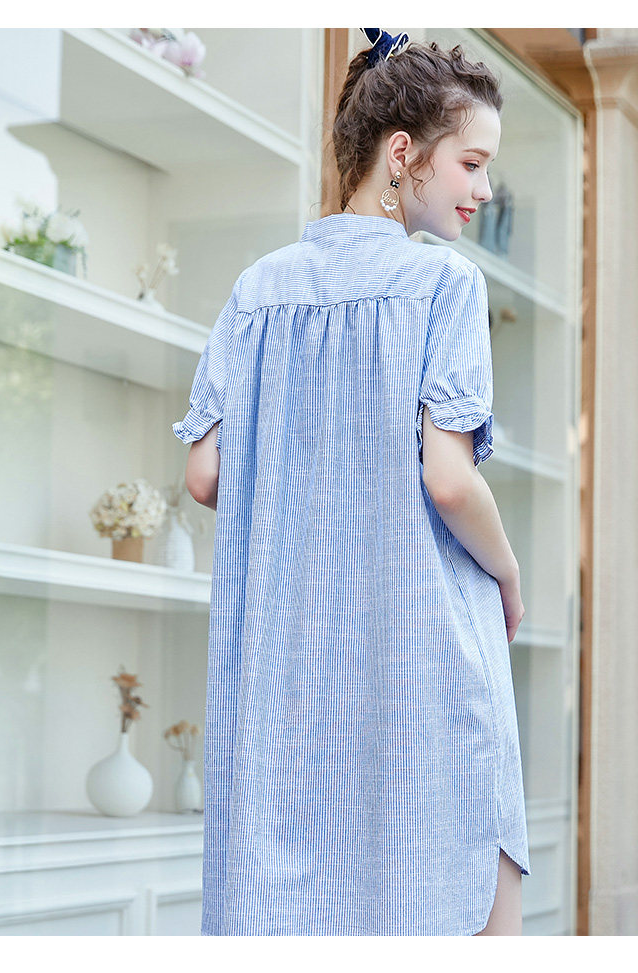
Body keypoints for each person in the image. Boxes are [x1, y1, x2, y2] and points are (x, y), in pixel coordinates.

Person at [172, 27, 530, 937]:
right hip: (420, 656)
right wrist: (508, 571)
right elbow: (450, 481)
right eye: (472, 163)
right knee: (464, 904)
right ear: (403, 153)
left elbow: (204, 474)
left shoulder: (257, 290)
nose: (485, 190)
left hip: (289, 677)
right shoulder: (443, 286)